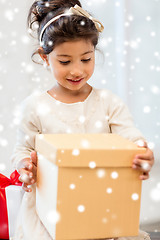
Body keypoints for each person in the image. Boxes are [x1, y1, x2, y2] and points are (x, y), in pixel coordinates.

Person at [11, 0, 154, 239]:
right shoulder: (35, 107)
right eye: (65, 61)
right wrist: (25, 165)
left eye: (86, 59)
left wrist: (142, 153)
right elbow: (22, 150)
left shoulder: (108, 103)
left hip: (100, 205)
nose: (77, 70)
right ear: (45, 58)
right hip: (49, 211)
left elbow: (130, 138)